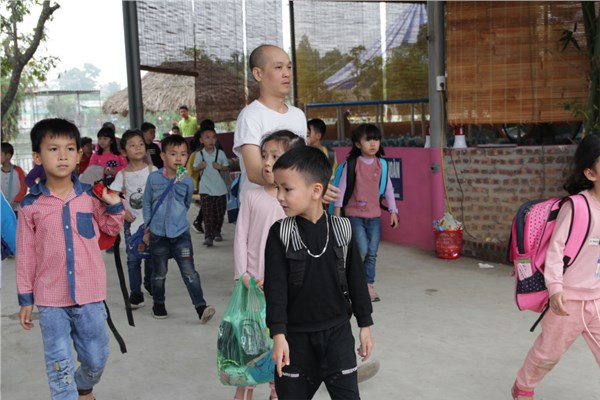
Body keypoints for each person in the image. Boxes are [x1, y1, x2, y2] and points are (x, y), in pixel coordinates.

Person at [16, 118, 125, 400]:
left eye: (70, 148)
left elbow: (111, 229)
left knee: (96, 359)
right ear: (38, 157)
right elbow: (25, 255)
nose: (63, 156)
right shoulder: (30, 206)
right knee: (59, 364)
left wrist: (115, 208)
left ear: (79, 155)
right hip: (50, 299)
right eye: (53, 149)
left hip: (90, 296)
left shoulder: (90, 197)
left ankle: (83, 386)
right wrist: (26, 298)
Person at [264, 146, 374, 399]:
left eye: (287, 189)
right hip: (295, 342)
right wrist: (278, 335)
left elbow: (356, 280)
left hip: (338, 337)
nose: (279, 196)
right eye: (278, 188)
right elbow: (275, 288)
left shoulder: (342, 229)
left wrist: (365, 324)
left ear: (316, 191)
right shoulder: (280, 233)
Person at [511, 134, 600, 400]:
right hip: (567, 301)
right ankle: (523, 387)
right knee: (547, 354)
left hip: (597, 298)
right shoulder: (577, 207)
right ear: (590, 173)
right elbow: (555, 251)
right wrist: (555, 289)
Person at [233, 130, 305, 400]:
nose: (266, 162)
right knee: (251, 348)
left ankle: (277, 390)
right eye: (264, 155)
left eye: (275, 156)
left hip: (285, 290)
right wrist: (243, 275)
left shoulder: (297, 203)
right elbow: (240, 237)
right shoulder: (252, 197)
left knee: (280, 346)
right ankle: (246, 390)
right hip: (253, 286)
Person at [142, 134, 215, 322]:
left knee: (190, 272)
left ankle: (201, 307)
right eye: (173, 154)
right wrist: (148, 227)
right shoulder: (153, 178)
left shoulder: (187, 180)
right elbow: (147, 203)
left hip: (180, 233)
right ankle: (158, 304)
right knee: (159, 274)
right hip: (158, 234)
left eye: (183, 154)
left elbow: (186, 202)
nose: (179, 158)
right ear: (163, 156)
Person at [333, 124, 399, 302]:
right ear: (357, 144)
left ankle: (368, 285)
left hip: (374, 216)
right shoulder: (352, 164)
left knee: (372, 252)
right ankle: (352, 279)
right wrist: (337, 213)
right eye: (368, 140)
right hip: (354, 215)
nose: (373, 143)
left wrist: (393, 211)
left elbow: (388, 189)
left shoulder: (382, 165)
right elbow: (342, 188)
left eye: (376, 139)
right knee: (362, 249)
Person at [233, 44, 307, 201]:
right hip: (261, 207)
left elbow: (302, 163)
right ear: (258, 74)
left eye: (289, 67)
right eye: (279, 67)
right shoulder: (250, 116)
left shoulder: (298, 115)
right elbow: (254, 173)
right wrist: (304, 183)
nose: (287, 74)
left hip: (293, 205)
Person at [109, 129, 157, 308]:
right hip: (132, 223)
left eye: (141, 144)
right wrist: (122, 210)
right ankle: (136, 293)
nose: (138, 148)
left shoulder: (153, 171)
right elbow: (111, 196)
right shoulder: (122, 175)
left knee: (151, 255)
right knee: (133, 258)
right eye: (132, 145)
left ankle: (149, 282)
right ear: (123, 152)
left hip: (151, 223)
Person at [193, 127, 229, 247]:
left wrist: (221, 167)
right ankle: (208, 236)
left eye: (213, 137)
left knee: (220, 213)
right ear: (201, 140)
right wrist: (200, 166)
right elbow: (194, 168)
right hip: (205, 189)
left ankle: (217, 231)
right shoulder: (199, 155)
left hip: (220, 189)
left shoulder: (220, 153)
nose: (211, 140)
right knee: (208, 214)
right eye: (207, 137)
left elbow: (226, 167)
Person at [1, 142, 26, 212]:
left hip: (17, 208)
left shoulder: (18, 170)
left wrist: (16, 200)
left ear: (8, 156)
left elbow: (24, 187)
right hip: (3, 208)